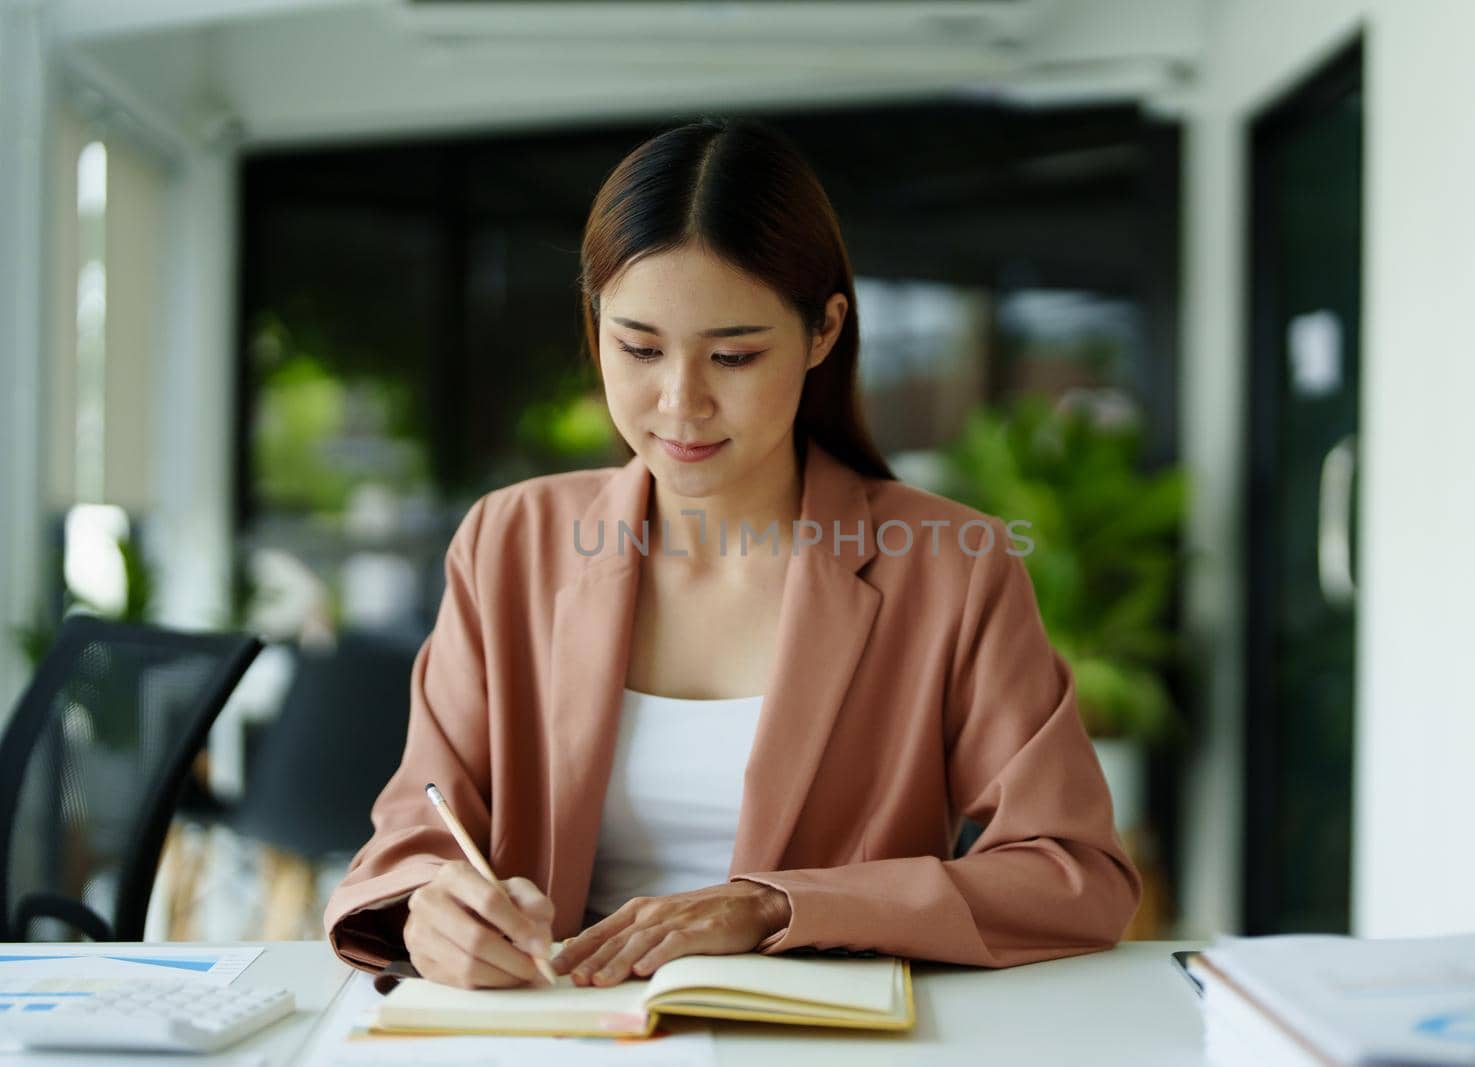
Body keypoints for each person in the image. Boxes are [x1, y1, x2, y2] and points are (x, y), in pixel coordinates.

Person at [323, 116, 1141, 991]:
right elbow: (418, 825)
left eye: (735, 355)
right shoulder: (508, 541)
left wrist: (777, 906)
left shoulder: (953, 566)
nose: (681, 404)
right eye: (638, 347)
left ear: (824, 331)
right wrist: (430, 908)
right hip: (560, 1032)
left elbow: (1074, 874)